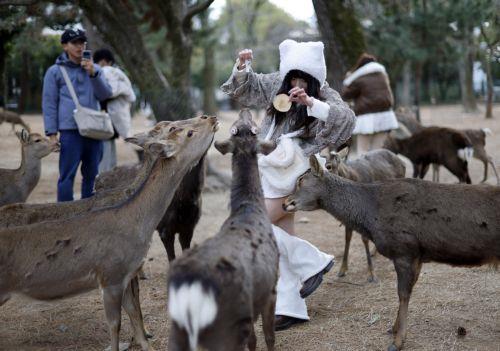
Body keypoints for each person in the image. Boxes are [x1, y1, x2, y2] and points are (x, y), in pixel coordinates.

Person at [221, 39, 355, 330]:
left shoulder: (324, 94)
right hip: (271, 173)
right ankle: (291, 305)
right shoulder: (277, 85)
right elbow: (248, 88)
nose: (296, 84)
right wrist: (243, 67)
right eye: (293, 77)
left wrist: (312, 104)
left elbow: (346, 121)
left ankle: (313, 261)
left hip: (297, 175)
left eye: (303, 79)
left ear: (314, 79)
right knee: (277, 238)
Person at [42, 29, 112, 202]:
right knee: (67, 177)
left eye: (82, 43)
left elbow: (105, 95)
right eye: (75, 43)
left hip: (94, 131)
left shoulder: (95, 69)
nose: (80, 47)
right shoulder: (54, 71)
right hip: (70, 131)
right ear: (65, 46)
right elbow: (49, 103)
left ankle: (88, 218)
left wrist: (93, 74)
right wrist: (51, 133)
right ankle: (65, 219)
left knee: (92, 177)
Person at [341, 53, 398, 154]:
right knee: (377, 151)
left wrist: (347, 79)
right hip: (385, 116)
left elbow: (346, 95)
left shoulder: (358, 78)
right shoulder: (383, 75)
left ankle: (361, 170)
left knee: (362, 150)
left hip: (366, 118)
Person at [93, 48, 136, 172]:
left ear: (102, 61)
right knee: (110, 151)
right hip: (115, 119)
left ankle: (103, 179)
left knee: (104, 153)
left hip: (107, 119)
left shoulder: (107, 71)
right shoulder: (119, 73)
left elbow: (109, 92)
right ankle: (109, 176)